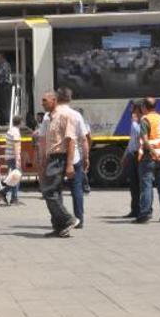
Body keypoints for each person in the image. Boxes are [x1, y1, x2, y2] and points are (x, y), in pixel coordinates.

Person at [39, 91, 80, 237]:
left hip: (60, 158)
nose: (42, 103)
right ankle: (59, 227)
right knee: (53, 193)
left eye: (45, 100)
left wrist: (69, 164)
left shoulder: (64, 116)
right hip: (52, 157)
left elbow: (71, 140)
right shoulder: (50, 118)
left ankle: (69, 219)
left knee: (49, 191)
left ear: (54, 100)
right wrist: (44, 159)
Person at [56, 87, 90, 228]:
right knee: (77, 190)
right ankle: (79, 219)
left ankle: (62, 220)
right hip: (74, 158)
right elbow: (84, 139)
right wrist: (86, 157)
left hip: (56, 158)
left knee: (56, 191)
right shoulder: (76, 115)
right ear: (70, 99)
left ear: (57, 98)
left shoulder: (50, 115)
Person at [135, 97, 160, 224]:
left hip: (149, 158)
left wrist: (153, 152)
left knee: (147, 185)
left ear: (144, 107)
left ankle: (145, 214)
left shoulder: (145, 120)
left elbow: (145, 140)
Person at [121, 101, 143, 218]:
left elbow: (139, 138)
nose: (130, 111)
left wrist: (134, 123)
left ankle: (141, 210)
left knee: (139, 184)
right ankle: (135, 209)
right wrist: (125, 155)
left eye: (132, 109)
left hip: (139, 155)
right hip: (133, 154)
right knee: (133, 184)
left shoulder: (141, 122)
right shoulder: (134, 123)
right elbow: (131, 141)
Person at [1, 116, 23, 206]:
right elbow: (16, 146)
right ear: (20, 122)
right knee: (16, 177)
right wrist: (18, 160)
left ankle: (11, 196)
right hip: (13, 157)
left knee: (13, 177)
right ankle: (12, 196)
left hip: (9, 156)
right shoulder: (16, 132)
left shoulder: (10, 130)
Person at [0, 52, 13, 125]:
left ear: (2, 58)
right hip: (2, 85)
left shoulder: (5, 65)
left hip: (5, 85)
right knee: (2, 104)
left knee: (4, 104)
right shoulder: (3, 65)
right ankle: (3, 120)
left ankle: (6, 120)